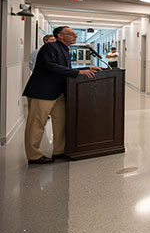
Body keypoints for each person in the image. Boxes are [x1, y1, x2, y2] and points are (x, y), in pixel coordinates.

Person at [22, 26, 101, 164]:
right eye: (71, 34)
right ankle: (34, 155)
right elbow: (50, 66)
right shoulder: (49, 48)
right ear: (60, 36)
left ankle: (59, 151)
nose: (75, 36)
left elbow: (66, 69)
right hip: (42, 92)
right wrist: (78, 73)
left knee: (61, 123)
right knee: (36, 124)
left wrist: (86, 68)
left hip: (58, 93)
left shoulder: (65, 49)